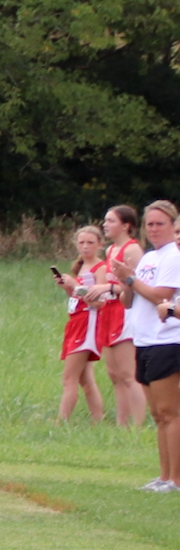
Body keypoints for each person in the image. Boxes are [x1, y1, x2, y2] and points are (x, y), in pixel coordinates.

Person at [111, 198, 180, 490]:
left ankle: (176, 478)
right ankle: (163, 476)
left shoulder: (173, 256)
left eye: (160, 223)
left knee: (170, 412)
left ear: (173, 226)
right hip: (144, 340)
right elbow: (129, 300)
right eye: (149, 224)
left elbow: (161, 296)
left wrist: (131, 279)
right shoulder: (149, 257)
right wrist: (124, 281)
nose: (153, 229)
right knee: (157, 415)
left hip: (167, 340)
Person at [55, 226, 113, 423]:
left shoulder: (101, 268)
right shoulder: (81, 267)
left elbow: (99, 302)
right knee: (84, 378)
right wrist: (68, 288)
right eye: (81, 242)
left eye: (90, 242)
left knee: (69, 378)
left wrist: (76, 286)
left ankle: (61, 421)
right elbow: (76, 297)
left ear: (100, 245)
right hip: (76, 320)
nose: (85, 246)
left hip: (88, 322)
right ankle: (98, 419)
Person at [102, 204, 148, 427]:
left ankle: (138, 425)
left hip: (125, 311)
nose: (105, 225)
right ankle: (122, 424)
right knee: (114, 374)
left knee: (129, 374)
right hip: (108, 310)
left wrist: (107, 288)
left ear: (125, 226)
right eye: (105, 221)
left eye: (110, 221)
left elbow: (138, 285)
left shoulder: (132, 250)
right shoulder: (110, 250)